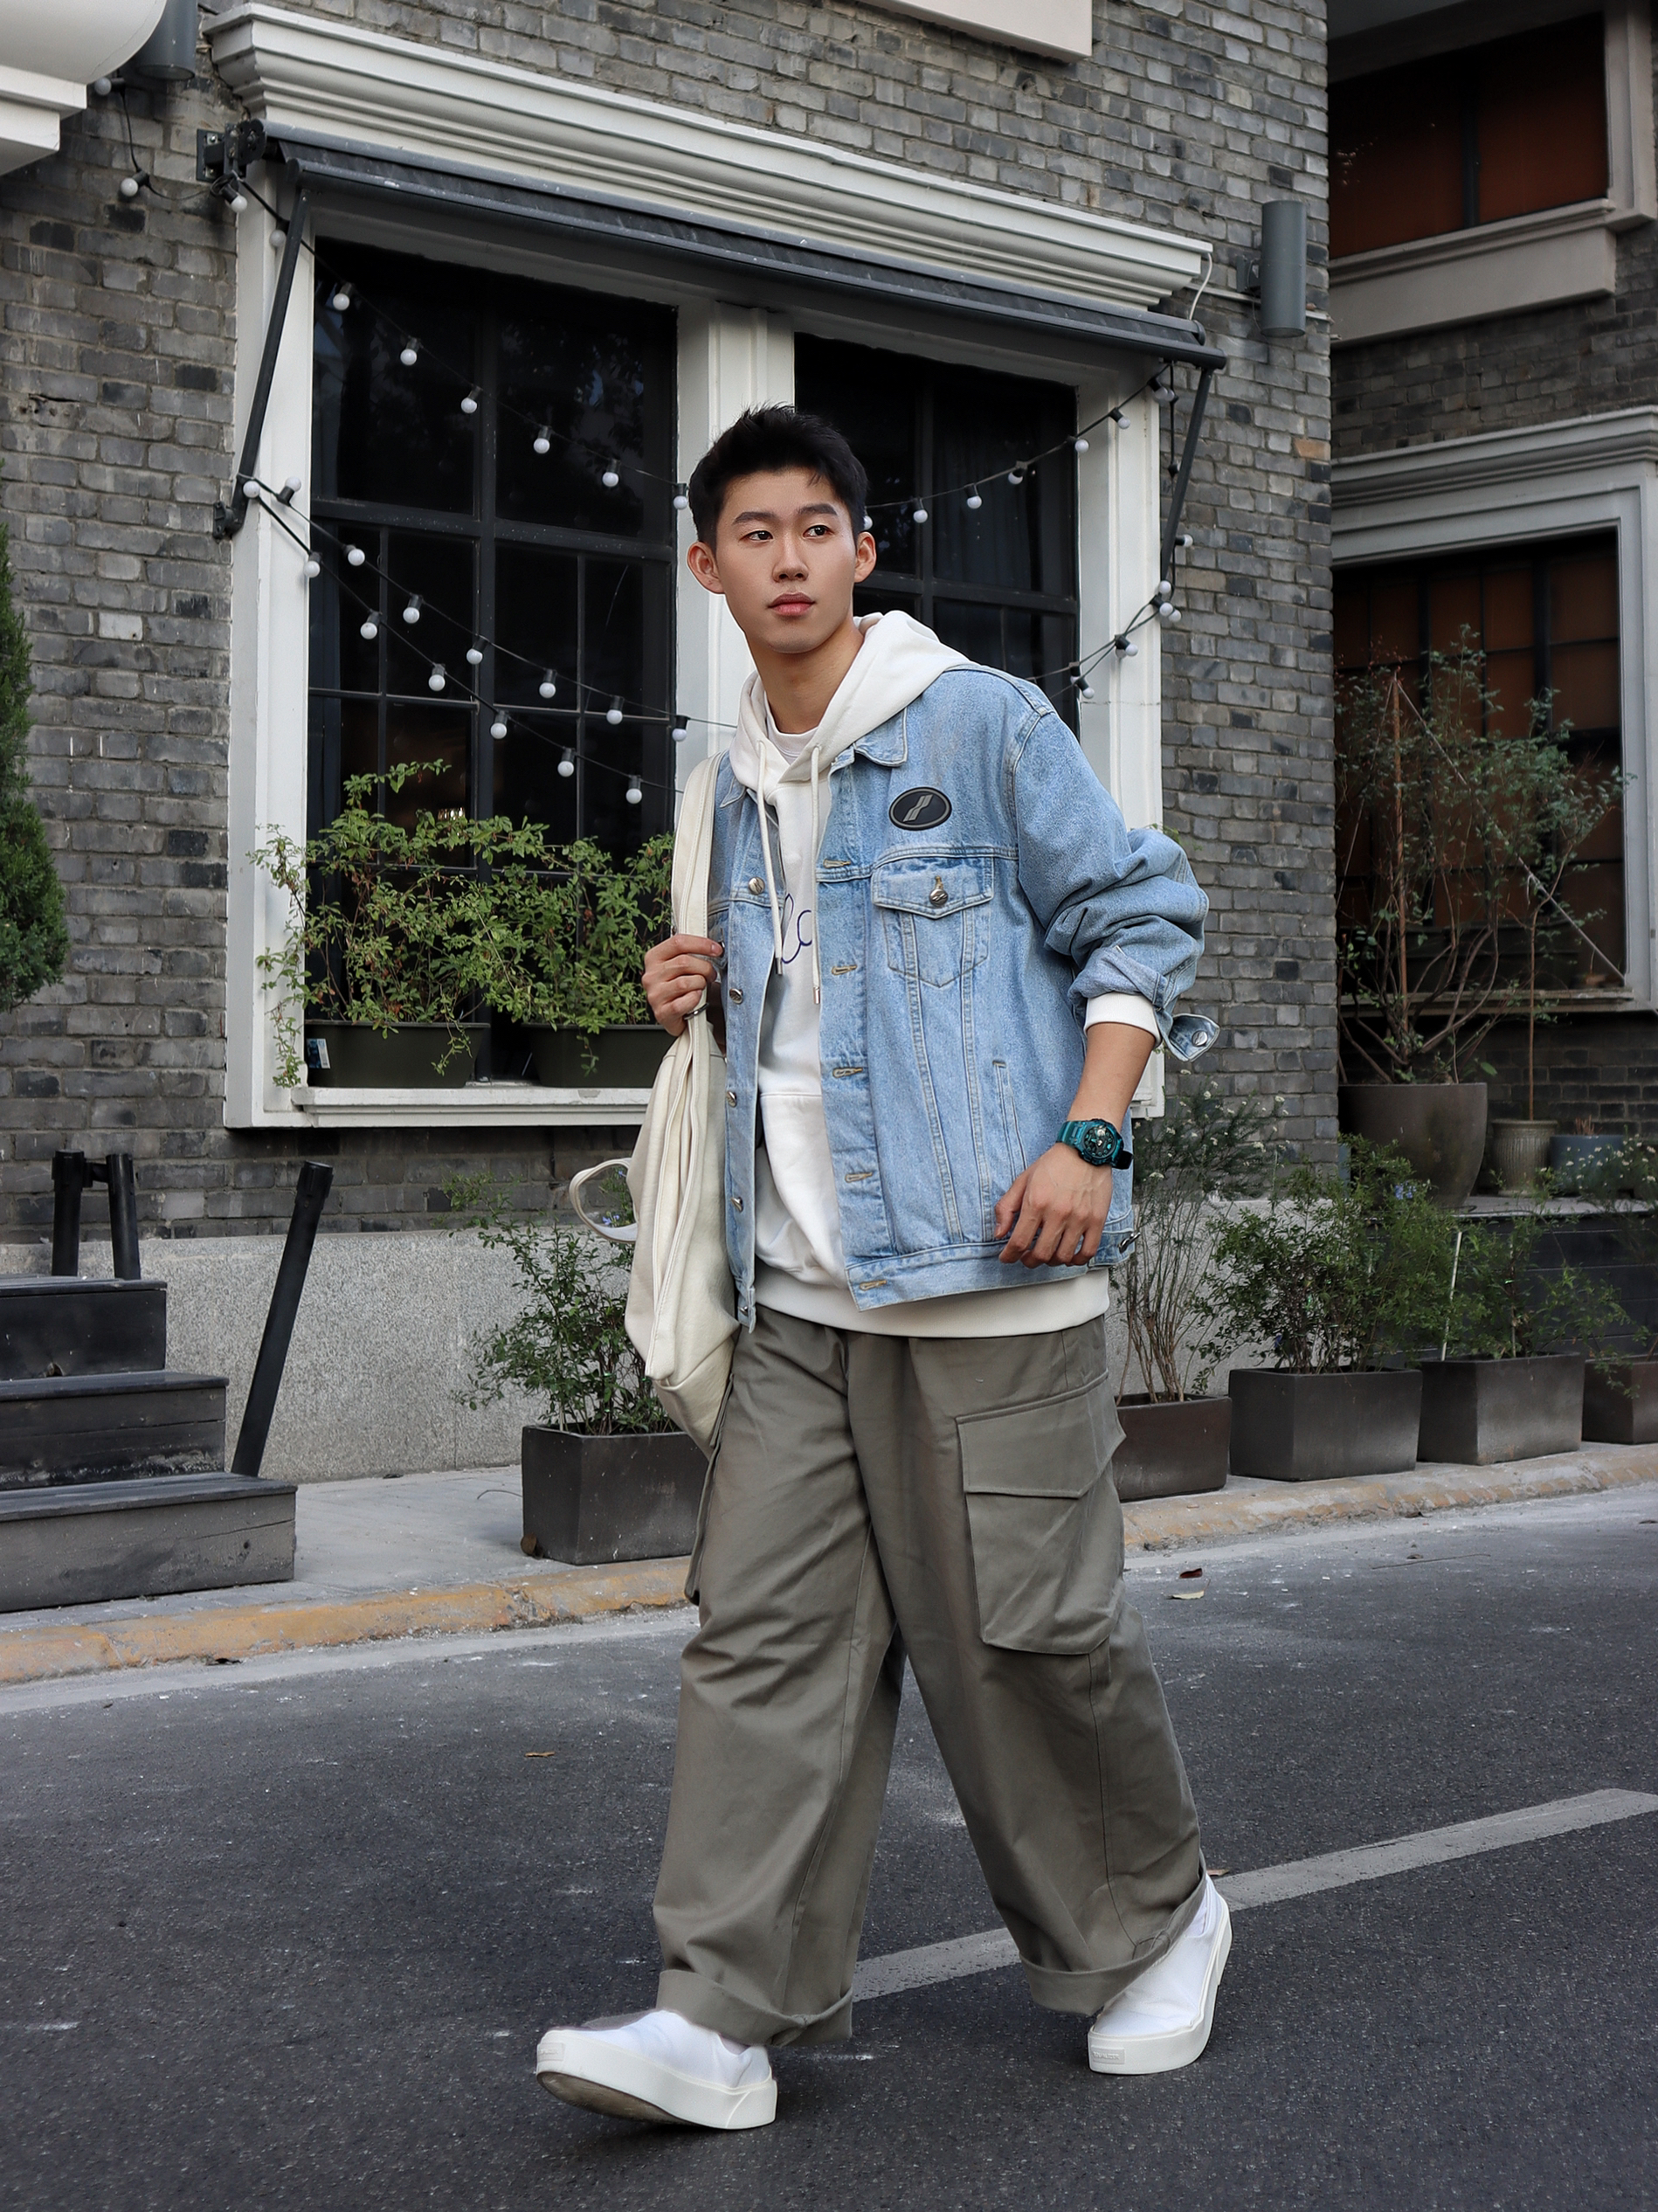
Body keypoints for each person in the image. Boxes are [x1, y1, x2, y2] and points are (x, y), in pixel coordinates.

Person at [535, 406, 1226, 2132]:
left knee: (1025, 1638)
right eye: (749, 532)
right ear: (704, 565)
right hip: (794, 1291)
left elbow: (1140, 916)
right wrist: (691, 985)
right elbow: (794, 1024)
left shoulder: (977, 722)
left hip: (991, 1271)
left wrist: (1090, 1136)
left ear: (862, 548)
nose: (785, 557)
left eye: (812, 526)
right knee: (760, 1643)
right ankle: (717, 2017)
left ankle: (1155, 1927)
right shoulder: (723, 780)